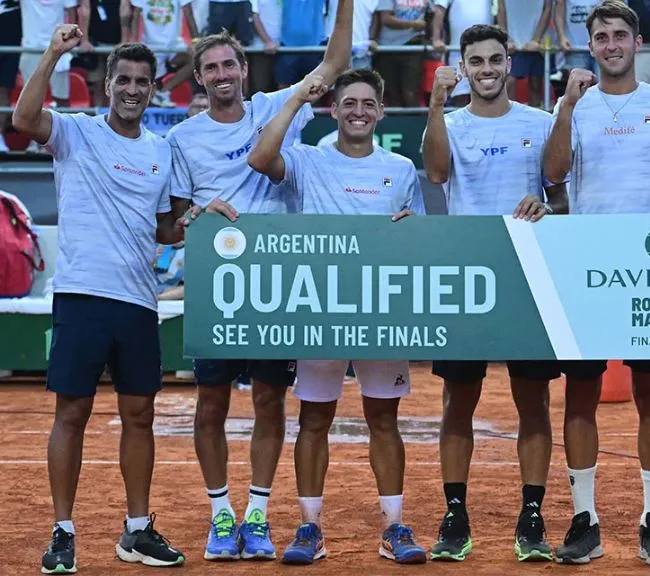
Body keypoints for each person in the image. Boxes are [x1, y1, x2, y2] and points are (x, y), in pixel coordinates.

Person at [164, 0, 354, 562]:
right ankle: (221, 514)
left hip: (274, 284)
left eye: (230, 65)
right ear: (199, 78)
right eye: (212, 69)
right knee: (210, 404)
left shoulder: (278, 107)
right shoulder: (182, 138)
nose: (223, 75)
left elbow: (337, 60)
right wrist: (192, 219)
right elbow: (175, 223)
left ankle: (258, 514)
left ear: (245, 70)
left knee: (271, 400)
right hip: (217, 287)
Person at [11, 24, 204, 574]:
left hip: (138, 301)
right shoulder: (76, 132)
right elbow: (23, 122)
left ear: (151, 89)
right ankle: (63, 530)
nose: (134, 89)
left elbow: (166, 230)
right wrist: (52, 52)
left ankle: (137, 530)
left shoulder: (161, 152)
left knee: (139, 414)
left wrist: (198, 218)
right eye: (124, 79)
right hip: (81, 294)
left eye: (143, 81)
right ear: (108, 85)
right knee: (71, 412)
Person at [247, 67, 427, 566]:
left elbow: (420, 239)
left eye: (368, 104)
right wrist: (296, 99)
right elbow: (261, 157)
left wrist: (413, 229)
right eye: (350, 103)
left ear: (382, 112)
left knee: (383, 419)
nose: (359, 111)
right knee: (314, 418)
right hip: (319, 308)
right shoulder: (307, 159)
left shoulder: (401, 168)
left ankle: (394, 527)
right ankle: (310, 528)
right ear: (333, 109)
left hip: (381, 311)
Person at [543, 0, 650, 567]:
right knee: (580, 395)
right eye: (601, 36)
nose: (611, 45)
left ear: (637, 41)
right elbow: (553, 174)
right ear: (591, 44)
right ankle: (586, 521)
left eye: (619, 35)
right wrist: (565, 106)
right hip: (587, 265)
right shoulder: (575, 104)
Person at [422, 24, 569, 563]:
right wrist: (437, 102)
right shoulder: (450, 121)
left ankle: (532, 516)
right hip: (467, 278)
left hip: (529, 276)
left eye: (494, 59)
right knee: (457, 402)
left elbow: (559, 190)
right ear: (463, 66)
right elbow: (436, 173)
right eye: (475, 61)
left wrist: (545, 206)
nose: (486, 69)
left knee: (534, 403)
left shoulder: (541, 120)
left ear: (509, 63)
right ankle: (455, 514)